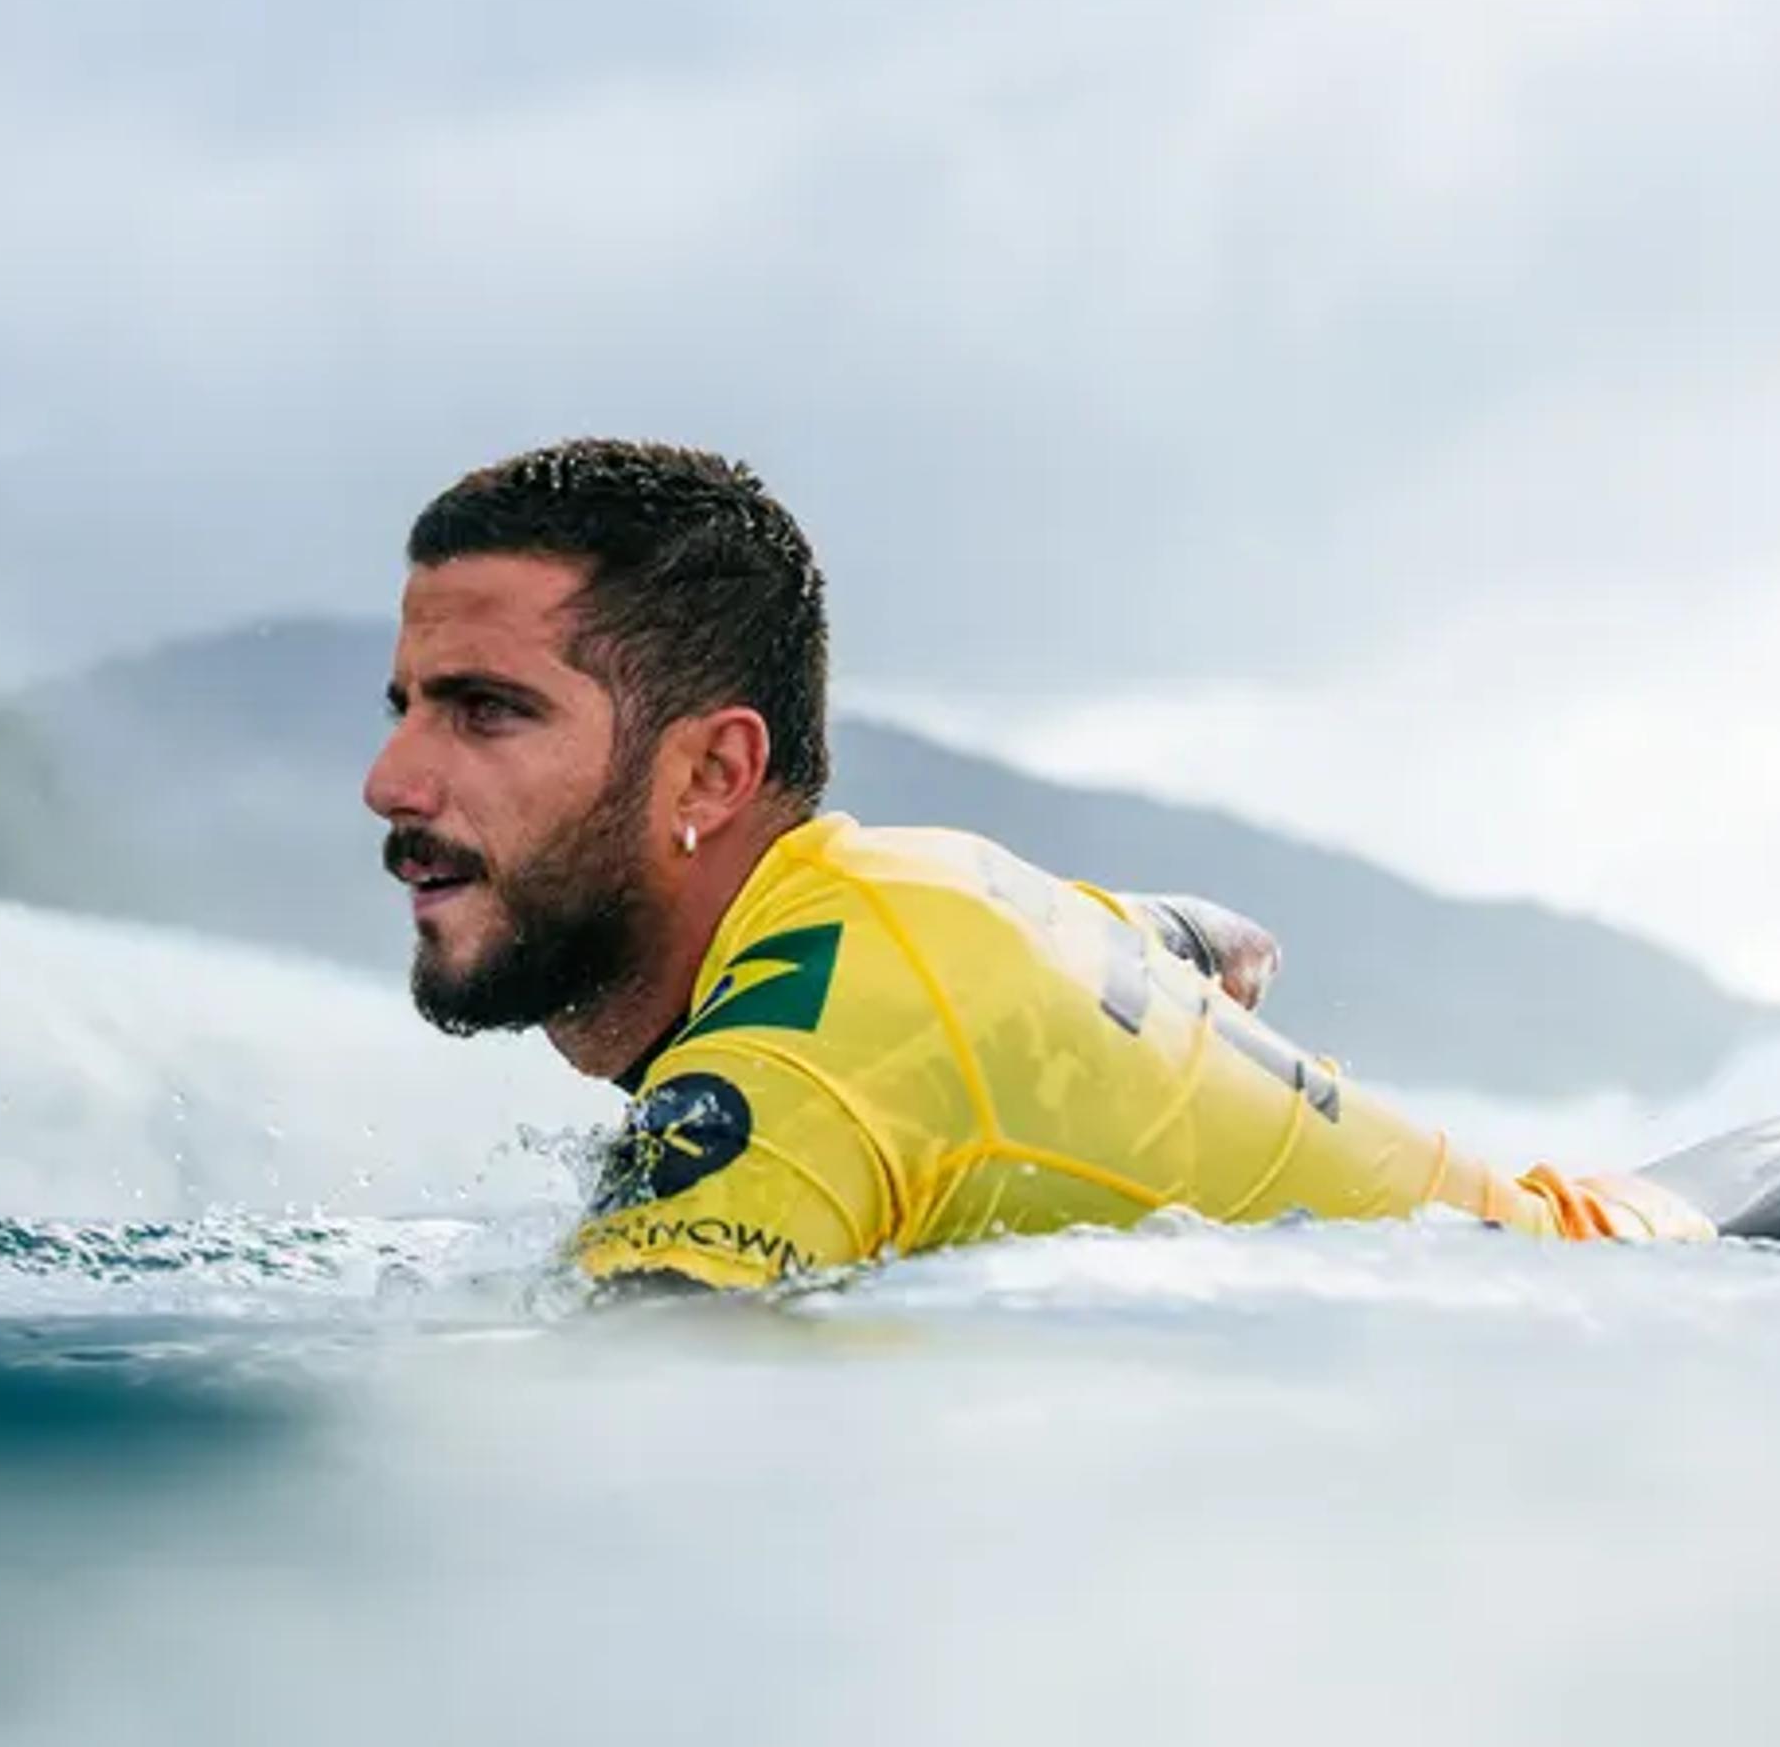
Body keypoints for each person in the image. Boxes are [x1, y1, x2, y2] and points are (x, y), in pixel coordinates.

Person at [362, 439, 1707, 1291]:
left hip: (1717, 1277)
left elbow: (618, 1437)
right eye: (407, 705)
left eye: (488, 711)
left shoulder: (798, 1070)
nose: (394, 782)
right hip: (1658, 1219)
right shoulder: (903, 892)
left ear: (711, 774)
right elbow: (1208, 942)